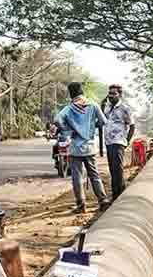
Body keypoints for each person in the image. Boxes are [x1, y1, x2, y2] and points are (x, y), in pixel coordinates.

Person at [56, 81, 109, 213]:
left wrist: (68, 130)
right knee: (94, 175)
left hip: (75, 148)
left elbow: (57, 120)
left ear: (71, 94)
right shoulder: (93, 105)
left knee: (77, 177)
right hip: (90, 147)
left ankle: (81, 205)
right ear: (82, 92)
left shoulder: (69, 108)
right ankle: (103, 201)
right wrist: (92, 126)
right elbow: (103, 121)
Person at [100, 83, 135, 199]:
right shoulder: (107, 108)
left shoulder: (125, 108)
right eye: (109, 93)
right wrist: (102, 105)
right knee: (112, 169)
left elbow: (132, 126)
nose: (111, 96)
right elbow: (102, 120)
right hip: (109, 142)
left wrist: (127, 141)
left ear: (120, 95)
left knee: (118, 169)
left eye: (114, 93)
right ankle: (117, 193)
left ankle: (118, 195)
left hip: (119, 142)